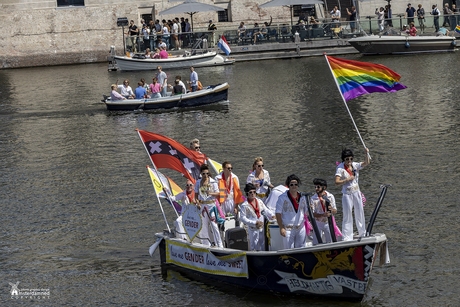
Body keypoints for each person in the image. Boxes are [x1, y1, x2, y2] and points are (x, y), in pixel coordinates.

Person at [335, 148, 370, 241]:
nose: (349, 161)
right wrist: (346, 180)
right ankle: (347, 236)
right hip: (347, 194)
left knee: (360, 213)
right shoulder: (340, 168)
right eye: (347, 159)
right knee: (347, 214)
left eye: (350, 159)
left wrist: (366, 154)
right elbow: (336, 182)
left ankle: (362, 233)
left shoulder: (354, 165)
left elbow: (366, 163)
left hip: (356, 192)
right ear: (343, 159)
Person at [275, 174, 308, 249]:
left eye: (295, 184)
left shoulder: (303, 197)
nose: (294, 186)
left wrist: (310, 208)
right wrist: (281, 228)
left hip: (300, 228)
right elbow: (278, 213)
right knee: (288, 250)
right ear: (288, 185)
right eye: (291, 184)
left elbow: (306, 212)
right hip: (288, 229)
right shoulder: (282, 197)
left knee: (301, 250)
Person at [194, 164, 223, 248]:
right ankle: (206, 244)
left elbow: (218, 193)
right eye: (204, 174)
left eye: (207, 173)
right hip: (202, 205)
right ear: (200, 173)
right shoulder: (198, 183)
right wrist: (198, 203)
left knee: (214, 225)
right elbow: (196, 196)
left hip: (211, 205)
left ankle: (219, 244)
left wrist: (210, 193)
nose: (205, 175)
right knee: (203, 225)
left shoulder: (213, 181)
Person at [240, 183, 275, 251]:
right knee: (254, 245)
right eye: (250, 192)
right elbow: (242, 218)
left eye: (254, 192)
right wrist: (254, 223)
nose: (253, 194)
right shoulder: (244, 205)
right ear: (247, 193)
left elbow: (266, 210)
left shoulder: (259, 201)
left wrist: (272, 215)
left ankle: (263, 257)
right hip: (253, 229)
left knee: (263, 244)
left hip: (261, 227)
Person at [310, 178, 337, 245]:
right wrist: (323, 215)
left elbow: (335, 211)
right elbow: (312, 214)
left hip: (328, 222)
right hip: (318, 223)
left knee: (330, 243)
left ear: (324, 187)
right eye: (315, 187)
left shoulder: (330, 196)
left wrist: (331, 209)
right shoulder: (313, 198)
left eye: (318, 187)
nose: (316, 188)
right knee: (316, 243)